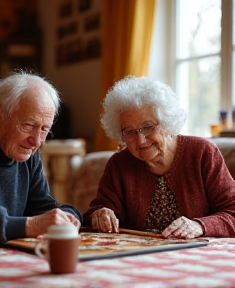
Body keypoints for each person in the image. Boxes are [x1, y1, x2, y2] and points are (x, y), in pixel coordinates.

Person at [83, 75, 235, 239]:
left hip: (197, 257)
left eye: (148, 127)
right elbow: (96, 213)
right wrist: (100, 214)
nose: (141, 140)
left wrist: (200, 226)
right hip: (140, 258)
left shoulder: (202, 153)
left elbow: (232, 212)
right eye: (130, 132)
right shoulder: (119, 164)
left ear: (167, 122)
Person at [0, 71, 82, 245]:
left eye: (44, 129)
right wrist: (31, 225)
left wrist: (70, 216)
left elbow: (43, 209)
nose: (37, 142)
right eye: (28, 125)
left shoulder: (28, 153)